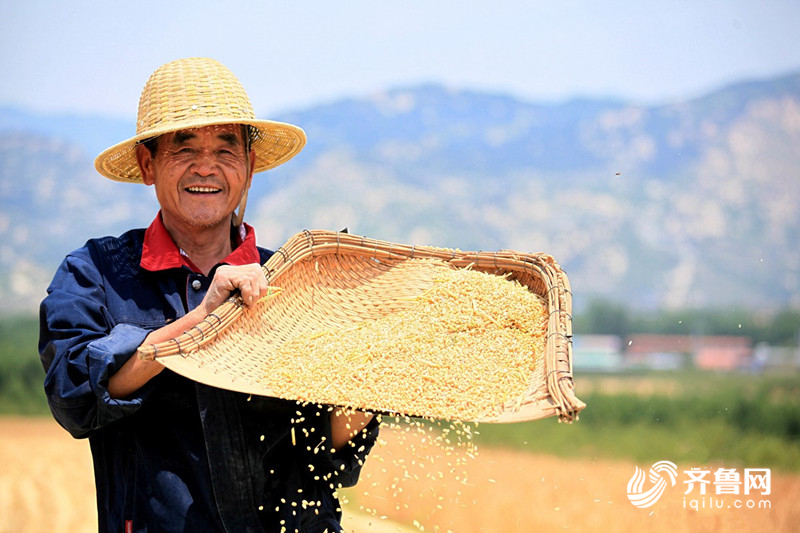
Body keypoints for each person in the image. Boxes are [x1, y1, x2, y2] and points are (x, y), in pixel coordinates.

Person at [38, 57, 379, 533]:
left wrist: (366, 384)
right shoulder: (96, 274)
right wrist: (202, 320)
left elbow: (328, 458)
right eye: (184, 148)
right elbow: (73, 396)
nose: (206, 167)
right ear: (147, 163)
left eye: (226, 148)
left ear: (249, 164)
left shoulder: (296, 282)